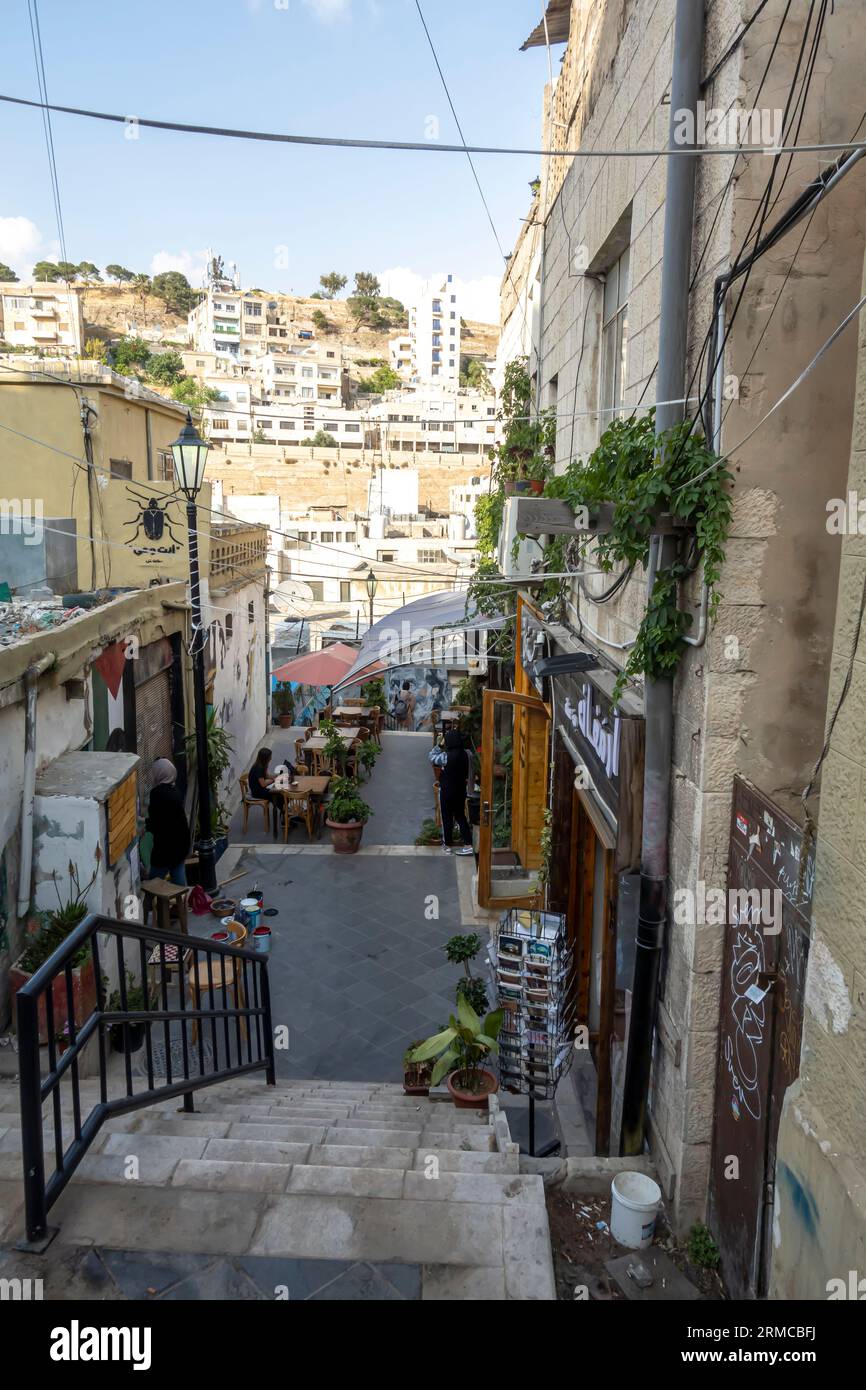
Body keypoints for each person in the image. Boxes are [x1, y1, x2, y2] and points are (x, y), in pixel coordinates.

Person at [146, 759, 191, 884]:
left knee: (153, 882)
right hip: (181, 844)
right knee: (179, 877)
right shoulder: (175, 791)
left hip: (166, 848)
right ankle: (182, 901)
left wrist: (145, 825)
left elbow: (157, 822)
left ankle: (148, 903)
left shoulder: (157, 794)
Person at [438, 730, 473, 856]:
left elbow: (431, 757)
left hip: (447, 790)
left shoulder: (446, 756)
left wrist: (440, 745)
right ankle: (468, 844)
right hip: (460, 790)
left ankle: (447, 844)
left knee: (446, 817)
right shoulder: (467, 754)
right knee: (460, 816)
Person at [249, 747, 297, 829]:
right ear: (265, 758)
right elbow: (263, 784)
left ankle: (285, 815)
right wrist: (274, 780)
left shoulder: (263, 765)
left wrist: (277, 776)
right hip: (258, 791)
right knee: (280, 797)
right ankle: (285, 818)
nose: (271, 758)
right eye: (270, 757)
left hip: (262, 788)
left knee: (281, 794)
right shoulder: (258, 768)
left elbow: (267, 776)